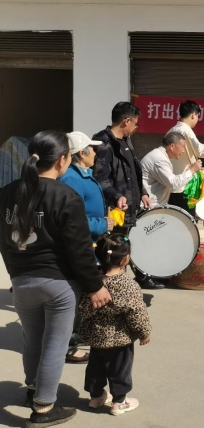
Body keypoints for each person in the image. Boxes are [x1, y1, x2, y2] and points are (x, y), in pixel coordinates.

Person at [0, 131, 112, 428]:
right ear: (63, 160)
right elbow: (79, 249)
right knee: (55, 345)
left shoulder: (7, 193)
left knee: (32, 339)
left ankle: (34, 390)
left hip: (22, 281)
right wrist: (95, 286)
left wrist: (15, 274)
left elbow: (5, 242)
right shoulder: (64, 195)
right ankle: (44, 408)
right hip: (58, 285)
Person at [80, 233, 152, 416]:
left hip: (96, 338)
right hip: (120, 339)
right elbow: (136, 312)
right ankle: (119, 402)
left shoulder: (94, 284)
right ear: (125, 259)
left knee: (95, 368)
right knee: (120, 369)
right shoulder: (128, 285)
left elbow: (83, 309)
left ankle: (96, 397)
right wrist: (144, 332)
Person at [59, 131, 115, 365]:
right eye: (92, 149)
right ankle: (68, 346)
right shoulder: (71, 180)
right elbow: (73, 220)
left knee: (81, 296)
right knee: (76, 297)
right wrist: (102, 224)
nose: (96, 153)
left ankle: (74, 337)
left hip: (90, 244)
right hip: (81, 246)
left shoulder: (83, 175)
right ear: (82, 153)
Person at [93, 102, 162, 290]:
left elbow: (133, 172)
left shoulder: (126, 141)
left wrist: (143, 193)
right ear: (126, 121)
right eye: (135, 124)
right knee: (112, 251)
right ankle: (108, 288)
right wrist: (116, 196)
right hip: (114, 211)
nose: (135, 128)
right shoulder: (104, 145)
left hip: (129, 206)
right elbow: (100, 179)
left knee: (125, 246)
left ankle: (133, 280)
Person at [165, 100, 204, 212]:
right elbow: (199, 149)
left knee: (175, 216)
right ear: (193, 115)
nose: (197, 119)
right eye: (197, 116)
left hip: (171, 184)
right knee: (187, 218)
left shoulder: (171, 131)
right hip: (185, 186)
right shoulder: (186, 131)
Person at [140, 132, 202, 207]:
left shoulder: (160, 156)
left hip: (154, 205)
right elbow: (173, 184)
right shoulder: (160, 159)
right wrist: (192, 170)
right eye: (183, 146)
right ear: (172, 146)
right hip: (149, 206)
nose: (183, 151)